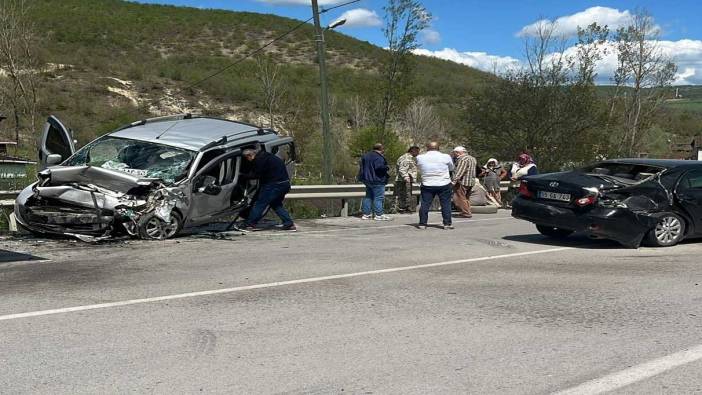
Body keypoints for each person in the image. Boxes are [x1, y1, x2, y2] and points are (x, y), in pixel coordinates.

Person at [241, 148, 296, 231]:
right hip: (284, 184)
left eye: (246, 158)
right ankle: (289, 224)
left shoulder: (260, 160)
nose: (248, 161)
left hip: (273, 185)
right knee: (276, 204)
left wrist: (242, 176)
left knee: (260, 204)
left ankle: (250, 224)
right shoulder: (269, 156)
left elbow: (256, 175)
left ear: (249, 155)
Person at [416, 142, 454, 229]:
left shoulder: (420, 157)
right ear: (438, 148)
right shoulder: (446, 156)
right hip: (443, 183)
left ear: (427, 148)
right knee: (445, 204)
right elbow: (451, 168)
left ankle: (422, 223)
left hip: (427, 183)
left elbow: (419, 167)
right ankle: (447, 223)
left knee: (425, 204)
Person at [358, 143, 391, 221]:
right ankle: (379, 215)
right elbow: (379, 168)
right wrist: (386, 167)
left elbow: (362, 168)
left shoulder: (365, 156)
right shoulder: (379, 157)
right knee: (378, 197)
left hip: (367, 179)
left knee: (368, 197)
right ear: (381, 149)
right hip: (377, 180)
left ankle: (366, 214)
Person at [451, 146, 477, 218]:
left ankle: (465, 213)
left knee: (459, 197)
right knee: (466, 197)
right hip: (470, 181)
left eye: (455, 153)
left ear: (458, 152)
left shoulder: (463, 159)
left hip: (462, 182)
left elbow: (460, 171)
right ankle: (468, 211)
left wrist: (454, 181)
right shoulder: (472, 158)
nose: (454, 154)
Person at [394, 145, 420, 213]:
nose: (418, 153)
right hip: (403, 180)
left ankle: (405, 208)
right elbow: (402, 169)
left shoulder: (409, 157)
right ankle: (403, 208)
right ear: (413, 151)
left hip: (405, 179)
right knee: (405, 195)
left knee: (406, 195)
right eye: (417, 152)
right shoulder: (406, 158)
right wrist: (406, 178)